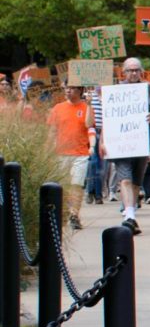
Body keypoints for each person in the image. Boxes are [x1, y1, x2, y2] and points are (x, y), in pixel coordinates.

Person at [100, 58, 150, 235]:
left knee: (135, 181)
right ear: (123, 72)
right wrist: (103, 140)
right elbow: (108, 118)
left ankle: (131, 212)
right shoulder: (115, 90)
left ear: (141, 71)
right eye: (130, 70)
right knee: (124, 178)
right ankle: (129, 216)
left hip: (140, 141)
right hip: (120, 143)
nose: (133, 73)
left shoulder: (147, 88)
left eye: (136, 70)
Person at [47, 84, 93, 231]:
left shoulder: (86, 107)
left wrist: (90, 105)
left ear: (80, 90)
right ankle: (65, 211)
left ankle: (74, 214)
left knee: (76, 185)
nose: (68, 90)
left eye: (72, 88)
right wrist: (47, 150)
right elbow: (52, 131)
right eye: (66, 87)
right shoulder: (57, 108)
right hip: (61, 153)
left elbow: (89, 124)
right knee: (63, 186)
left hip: (80, 153)